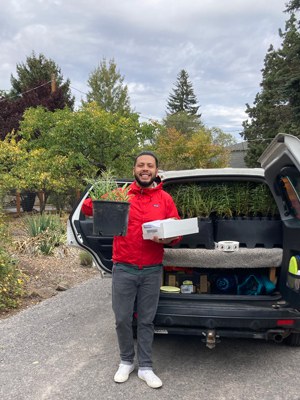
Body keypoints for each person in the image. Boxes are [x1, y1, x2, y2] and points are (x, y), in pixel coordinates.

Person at [82, 151, 181, 389]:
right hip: (124, 267)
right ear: (134, 170)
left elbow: (176, 232)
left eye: (150, 165)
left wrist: (166, 239)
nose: (145, 169)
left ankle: (146, 366)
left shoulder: (165, 199)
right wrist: (103, 199)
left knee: (146, 321)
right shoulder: (121, 194)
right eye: (140, 165)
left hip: (151, 269)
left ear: (157, 171)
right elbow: (87, 208)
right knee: (122, 318)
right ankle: (126, 361)